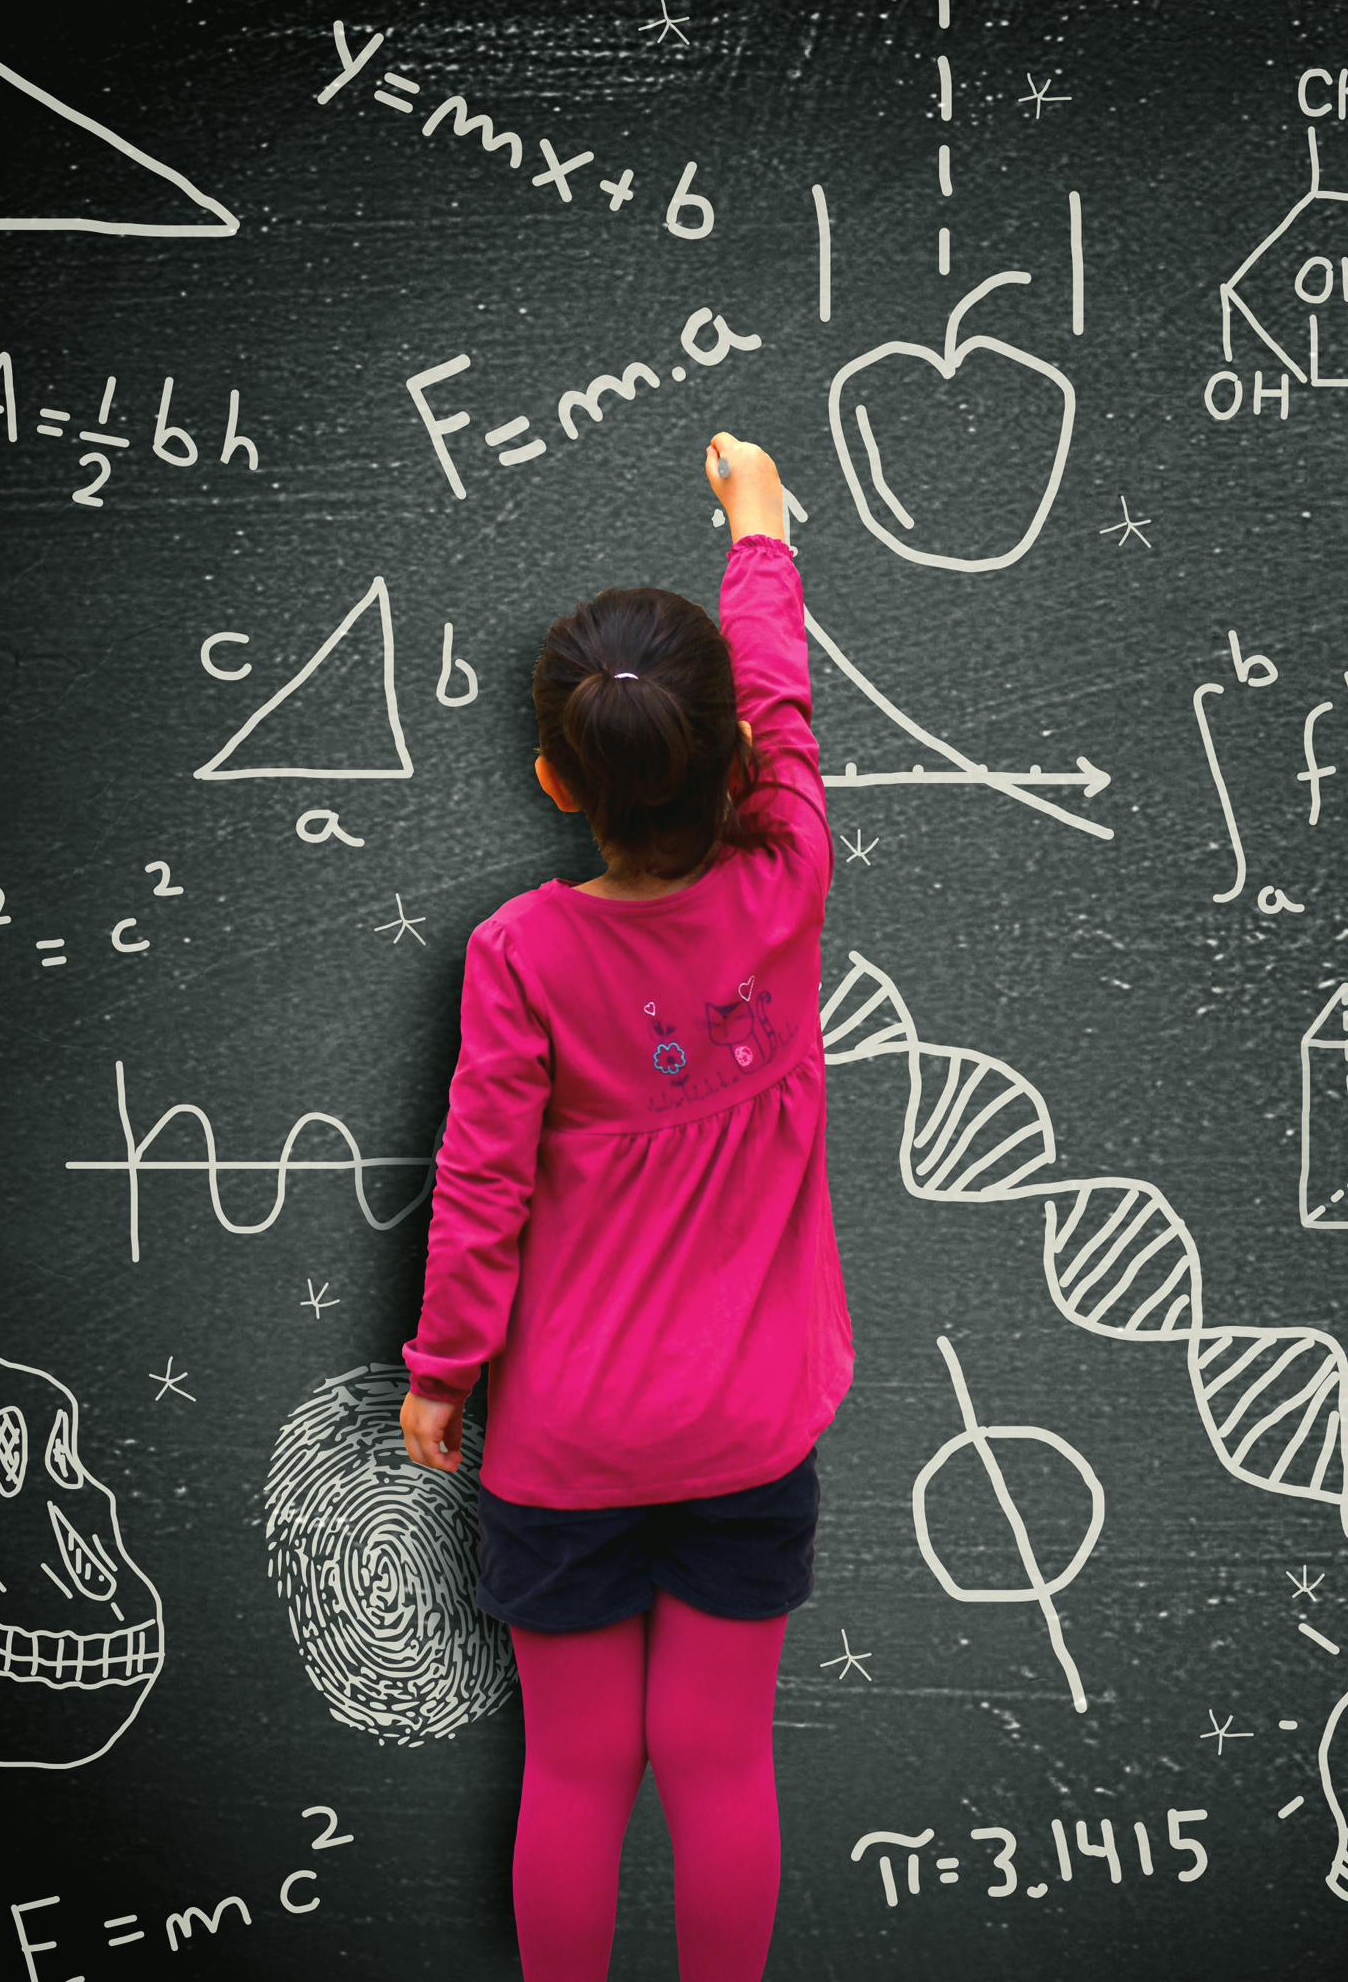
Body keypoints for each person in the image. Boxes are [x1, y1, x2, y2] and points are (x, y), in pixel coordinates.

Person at [398, 433, 851, 1982]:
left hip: (567, 1444)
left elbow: (480, 1185)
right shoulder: (785, 875)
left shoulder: (521, 955)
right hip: (748, 1426)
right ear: (733, 766)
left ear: (550, 780)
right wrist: (762, 530)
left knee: (579, 1771)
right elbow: (784, 711)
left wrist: (443, 1371)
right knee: (721, 1763)